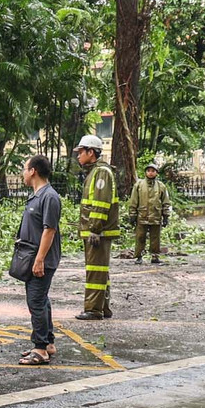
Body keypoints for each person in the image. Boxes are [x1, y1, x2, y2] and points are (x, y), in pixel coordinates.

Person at [17, 155, 62, 365]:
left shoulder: (49, 197)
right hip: (32, 257)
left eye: (25, 169)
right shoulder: (36, 195)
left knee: (35, 301)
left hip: (42, 259)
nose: (23, 173)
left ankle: (40, 349)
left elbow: (49, 230)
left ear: (33, 171)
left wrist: (40, 259)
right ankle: (48, 343)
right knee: (41, 300)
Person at [72, 133, 120, 319]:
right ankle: (103, 307)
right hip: (97, 231)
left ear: (91, 152)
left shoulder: (101, 173)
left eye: (81, 152)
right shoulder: (96, 172)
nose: (78, 155)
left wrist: (94, 229)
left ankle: (93, 309)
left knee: (95, 272)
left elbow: (101, 203)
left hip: (98, 232)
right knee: (100, 271)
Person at [128, 161, 171, 264]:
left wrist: (166, 216)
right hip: (142, 215)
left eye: (153, 171)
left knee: (155, 237)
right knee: (140, 237)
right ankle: (139, 256)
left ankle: (155, 256)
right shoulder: (139, 185)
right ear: (145, 172)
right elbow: (134, 201)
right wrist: (132, 215)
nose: (150, 173)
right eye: (148, 171)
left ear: (156, 173)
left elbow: (165, 202)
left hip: (156, 216)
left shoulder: (161, 186)